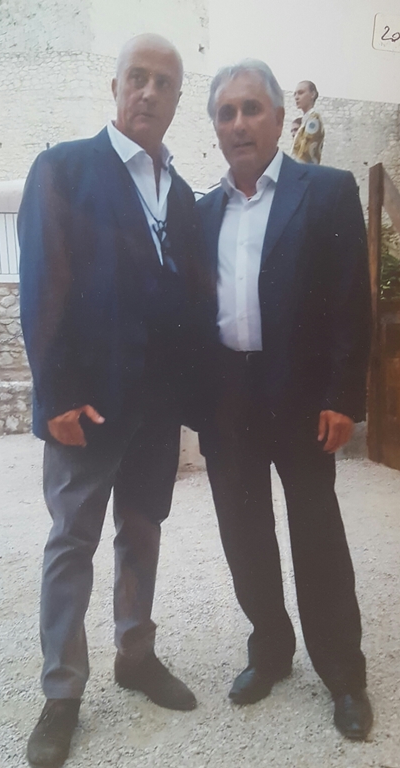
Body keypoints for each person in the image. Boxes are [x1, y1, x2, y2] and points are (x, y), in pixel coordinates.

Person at [19, 34, 209, 768]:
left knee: (142, 530)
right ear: (115, 86)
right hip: (88, 409)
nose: (149, 92)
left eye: (164, 83)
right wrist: (55, 397)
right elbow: (43, 284)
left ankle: (136, 655)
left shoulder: (181, 193)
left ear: (177, 100)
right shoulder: (65, 168)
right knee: (72, 540)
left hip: (155, 412)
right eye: (138, 77)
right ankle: (62, 692)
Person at [197, 60, 373, 740]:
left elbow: (350, 302)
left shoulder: (325, 190)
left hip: (301, 400)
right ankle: (269, 648)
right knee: (243, 535)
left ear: (278, 118)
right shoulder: (201, 211)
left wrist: (343, 396)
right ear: (215, 127)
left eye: (251, 109)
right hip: (227, 401)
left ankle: (343, 673)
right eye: (226, 113)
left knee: (316, 535)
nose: (238, 123)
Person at [292, 80, 324, 164]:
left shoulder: (314, 118)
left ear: (312, 94)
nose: (296, 97)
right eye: (295, 94)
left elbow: (305, 154)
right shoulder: (306, 119)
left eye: (300, 93)